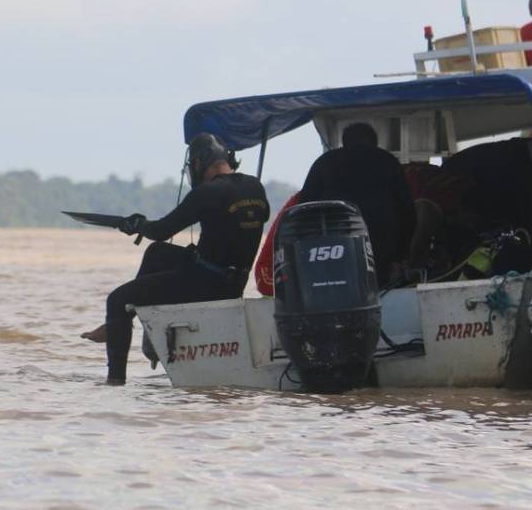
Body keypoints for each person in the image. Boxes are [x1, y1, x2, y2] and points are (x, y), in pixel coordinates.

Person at [80, 132, 269, 385]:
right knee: (157, 253)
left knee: (117, 299)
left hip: (205, 284)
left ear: (198, 165)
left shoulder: (208, 192)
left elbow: (161, 231)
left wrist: (138, 224)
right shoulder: (255, 186)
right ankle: (130, 320)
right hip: (233, 281)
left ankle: (115, 382)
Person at [297, 122, 416, 287]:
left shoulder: (324, 162)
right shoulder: (387, 161)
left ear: (344, 142)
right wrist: (402, 255)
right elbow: (408, 211)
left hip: (333, 249)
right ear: (374, 143)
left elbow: (303, 210)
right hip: (381, 250)